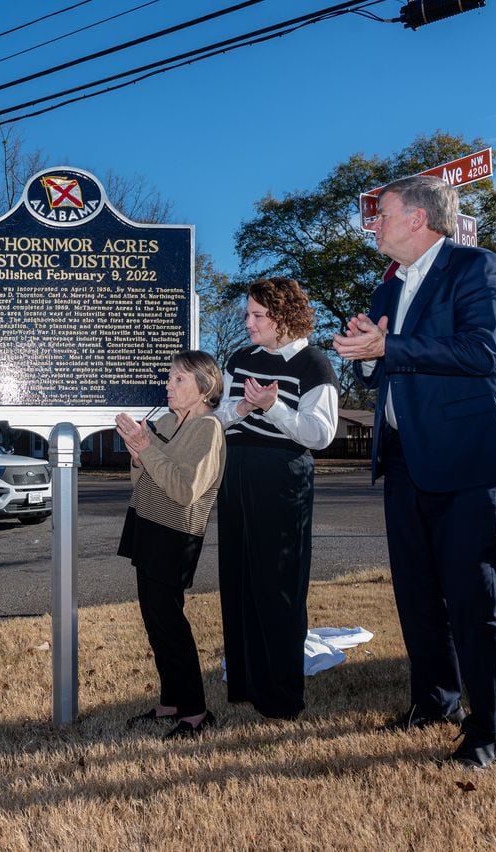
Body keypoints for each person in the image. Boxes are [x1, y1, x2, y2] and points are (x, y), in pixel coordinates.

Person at [333, 175, 496, 769]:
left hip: (469, 456)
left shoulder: (479, 269)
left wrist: (388, 350)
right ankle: (435, 702)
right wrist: (364, 356)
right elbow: (379, 369)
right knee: (417, 592)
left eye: (383, 214)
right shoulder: (387, 287)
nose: (374, 224)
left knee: (473, 595)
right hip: (403, 456)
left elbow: (482, 352)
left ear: (420, 218)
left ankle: (494, 730)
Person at [215, 277, 339, 721]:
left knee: (279, 584)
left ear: (282, 317)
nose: (247, 323)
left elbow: (321, 435)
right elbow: (219, 419)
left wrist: (273, 408)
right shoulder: (240, 359)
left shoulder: (312, 364)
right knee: (239, 578)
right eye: (247, 314)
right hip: (235, 473)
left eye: (256, 316)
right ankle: (246, 682)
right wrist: (243, 409)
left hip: (282, 476)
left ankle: (281, 694)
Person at [116, 351, 227, 738]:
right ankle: (170, 702)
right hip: (145, 525)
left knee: (170, 624)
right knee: (155, 621)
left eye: (179, 379)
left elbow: (184, 490)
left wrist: (146, 449)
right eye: (170, 378)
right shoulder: (165, 421)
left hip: (175, 534)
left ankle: (195, 712)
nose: (169, 385)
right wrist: (136, 452)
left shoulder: (209, 429)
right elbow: (141, 481)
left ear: (205, 386)